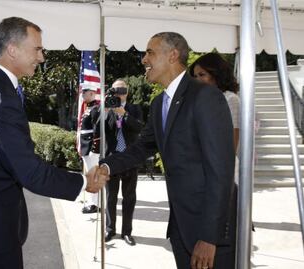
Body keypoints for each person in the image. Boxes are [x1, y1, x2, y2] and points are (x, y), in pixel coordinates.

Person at [0, 17, 106, 269]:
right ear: (12, 49)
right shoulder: (0, 99)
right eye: (37, 49)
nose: (41, 57)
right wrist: (85, 181)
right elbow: (31, 172)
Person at [95, 32, 237, 268]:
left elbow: (221, 170)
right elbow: (142, 147)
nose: (143, 59)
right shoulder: (159, 103)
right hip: (181, 229)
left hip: (207, 232)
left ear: (173, 55)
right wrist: (107, 166)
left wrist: (209, 236)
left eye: (150, 52)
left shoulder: (205, 96)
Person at [103, 79, 143, 246]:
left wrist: (123, 113)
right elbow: (98, 127)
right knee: (111, 197)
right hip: (112, 159)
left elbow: (139, 127)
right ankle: (110, 229)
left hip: (129, 159)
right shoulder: (107, 107)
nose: (120, 92)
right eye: (116, 89)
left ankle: (127, 232)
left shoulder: (134, 108)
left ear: (128, 91)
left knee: (129, 197)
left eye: (123, 89)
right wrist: (105, 110)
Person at [189, 52, 239, 152]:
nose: (197, 80)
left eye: (202, 75)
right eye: (195, 76)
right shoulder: (201, 101)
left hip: (222, 164)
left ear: (216, 74)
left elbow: (232, 144)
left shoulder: (231, 99)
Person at [79, 85, 101, 214]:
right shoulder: (89, 108)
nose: (82, 96)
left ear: (92, 93)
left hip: (91, 148)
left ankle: (94, 204)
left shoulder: (95, 109)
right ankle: (92, 201)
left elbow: (97, 131)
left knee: (93, 176)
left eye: (84, 93)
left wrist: (95, 148)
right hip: (86, 146)